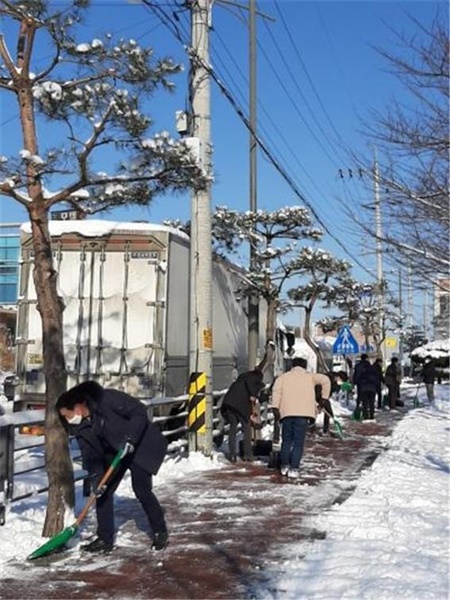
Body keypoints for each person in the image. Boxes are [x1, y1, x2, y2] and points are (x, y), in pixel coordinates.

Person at [56, 381, 168, 554]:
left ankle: (160, 531)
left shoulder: (106, 399)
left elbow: (138, 411)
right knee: (103, 490)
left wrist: (131, 438)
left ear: (78, 405)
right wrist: (96, 478)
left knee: (141, 489)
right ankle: (104, 538)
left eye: (67, 414)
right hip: (115, 453)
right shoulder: (80, 427)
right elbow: (90, 454)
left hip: (140, 446)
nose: (68, 419)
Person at [271, 357, 331, 479]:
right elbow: (326, 380)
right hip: (303, 414)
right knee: (298, 442)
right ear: (305, 366)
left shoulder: (283, 377)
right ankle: (294, 468)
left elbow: (276, 392)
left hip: (286, 413)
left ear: (292, 365)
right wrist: (324, 398)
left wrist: (275, 407)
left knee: (286, 440)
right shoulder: (310, 376)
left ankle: (284, 466)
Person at [220, 368, 265, 463]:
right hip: (240, 406)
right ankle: (248, 454)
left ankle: (232, 455)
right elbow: (252, 395)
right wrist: (257, 396)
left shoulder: (240, 380)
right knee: (246, 428)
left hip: (229, 405)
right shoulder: (254, 380)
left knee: (233, 428)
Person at [353, 354, 379, 420]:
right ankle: (372, 415)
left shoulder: (358, 366)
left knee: (364, 401)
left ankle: (364, 414)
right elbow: (376, 378)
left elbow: (356, 376)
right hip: (372, 387)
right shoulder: (372, 367)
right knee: (371, 402)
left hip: (362, 386)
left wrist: (355, 382)